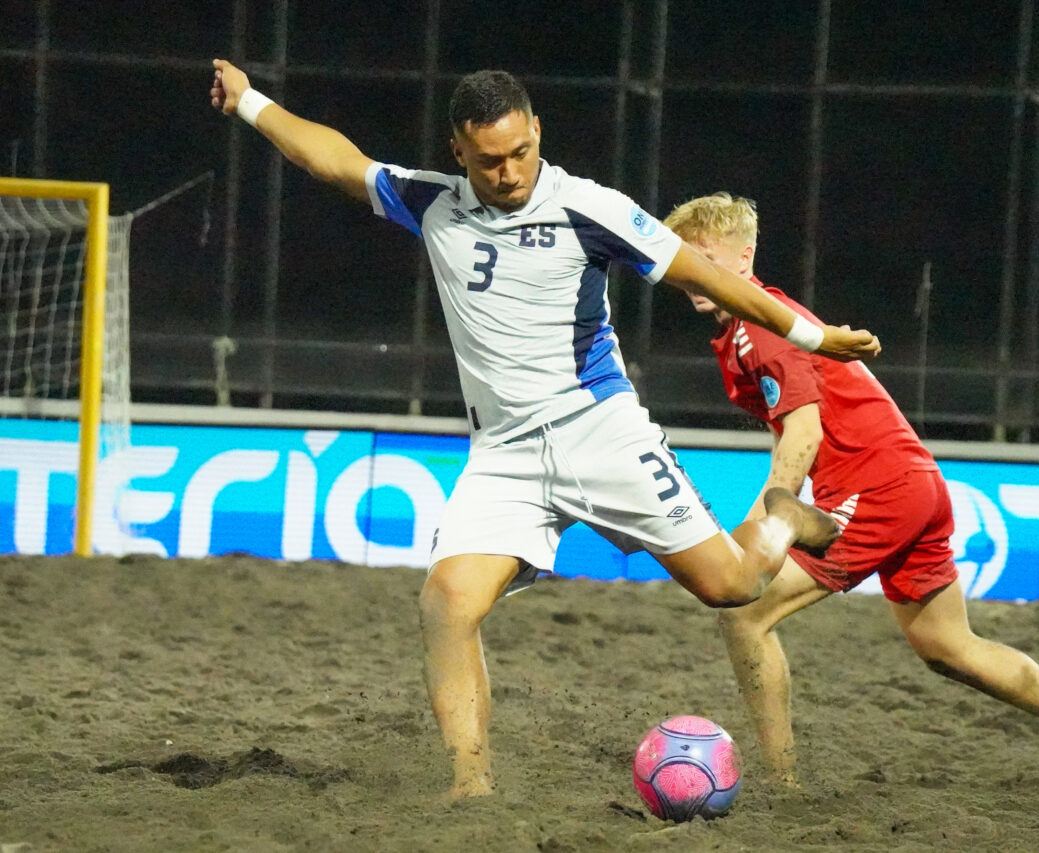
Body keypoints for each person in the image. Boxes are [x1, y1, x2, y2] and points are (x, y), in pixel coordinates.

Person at [209, 62, 883, 800]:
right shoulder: (432, 202)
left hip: (600, 432)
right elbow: (332, 158)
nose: (507, 173)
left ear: (537, 133)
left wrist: (814, 336)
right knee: (445, 601)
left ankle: (782, 521)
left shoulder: (588, 207)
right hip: (502, 455)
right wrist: (248, 101)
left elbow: (706, 274)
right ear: (459, 151)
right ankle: (471, 781)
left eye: (519, 153)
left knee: (733, 587)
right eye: (489, 160)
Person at [662, 192, 1039, 785]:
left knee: (744, 616)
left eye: (702, 255)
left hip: (877, 485)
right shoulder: (764, 321)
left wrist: (771, 516)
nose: (689, 271)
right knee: (947, 646)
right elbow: (796, 425)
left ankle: (780, 785)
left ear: (743, 260)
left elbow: (804, 430)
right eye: (682, 257)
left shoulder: (759, 329)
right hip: (914, 480)